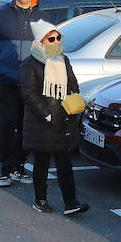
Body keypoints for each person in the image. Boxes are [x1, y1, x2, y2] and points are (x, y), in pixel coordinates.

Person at [20, 19, 89, 216]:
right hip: (43, 122)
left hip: (64, 119)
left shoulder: (63, 59)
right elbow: (28, 94)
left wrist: (73, 99)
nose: (57, 41)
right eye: (52, 39)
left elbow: (73, 84)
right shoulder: (30, 64)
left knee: (65, 162)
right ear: (41, 41)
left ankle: (71, 202)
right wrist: (47, 114)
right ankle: (40, 200)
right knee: (41, 163)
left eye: (59, 38)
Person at [0, 0, 44, 188]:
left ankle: (20, 166)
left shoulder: (42, 18)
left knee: (25, 126)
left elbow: (52, 49)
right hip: (5, 79)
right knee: (6, 126)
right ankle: (5, 169)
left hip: (30, 82)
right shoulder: (1, 16)